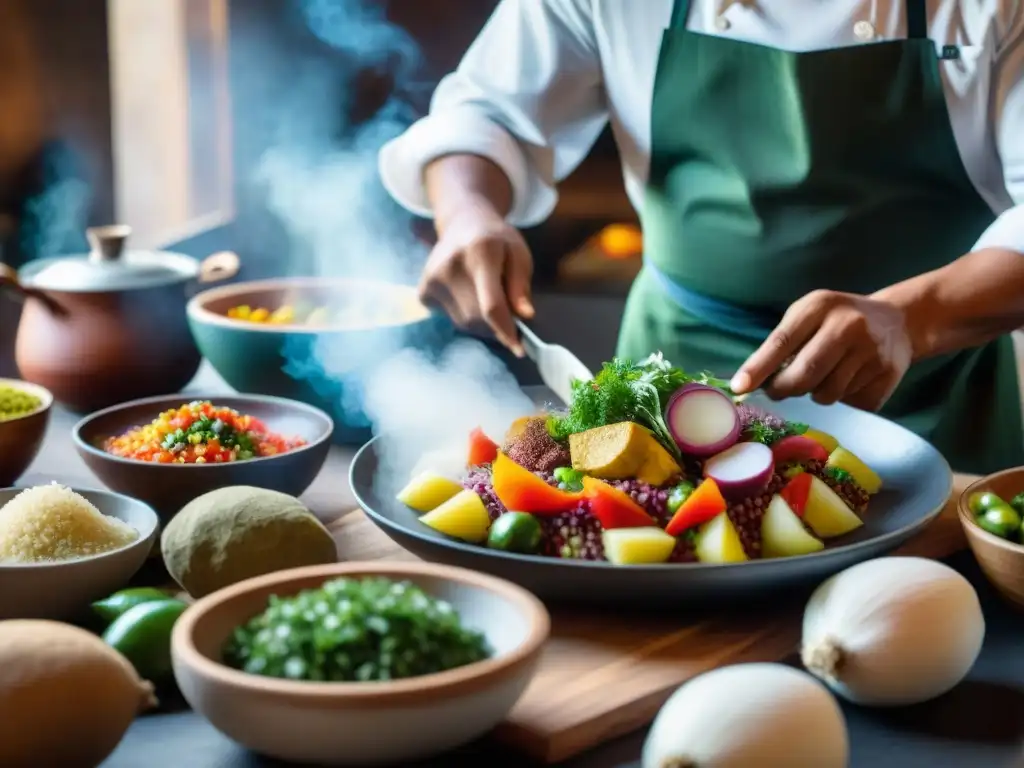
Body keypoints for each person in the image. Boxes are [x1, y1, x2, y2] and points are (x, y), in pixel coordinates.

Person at [378, 0, 1024, 474]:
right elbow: (485, 113)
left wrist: (908, 319)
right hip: (671, 371)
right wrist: (467, 214)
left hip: (928, 387)